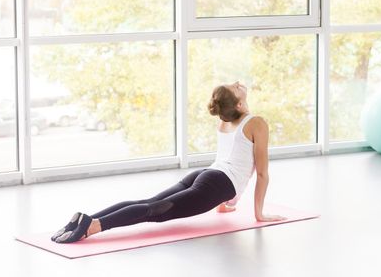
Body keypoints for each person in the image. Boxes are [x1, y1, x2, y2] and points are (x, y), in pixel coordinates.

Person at [52, 81, 285, 244]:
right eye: (235, 87)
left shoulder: (225, 120)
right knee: (155, 210)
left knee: (149, 202)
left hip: (207, 175)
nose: (238, 83)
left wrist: (224, 200)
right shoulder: (256, 123)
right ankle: (93, 227)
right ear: (239, 105)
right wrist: (259, 214)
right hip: (217, 182)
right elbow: (261, 173)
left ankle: (85, 220)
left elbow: (234, 158)